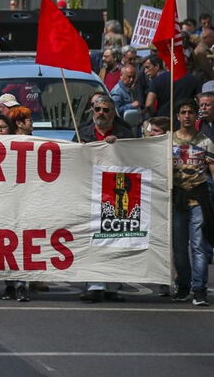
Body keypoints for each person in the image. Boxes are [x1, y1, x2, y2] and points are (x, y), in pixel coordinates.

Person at [75, 95, 135, 303]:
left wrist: (119, 146)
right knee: (90, 239)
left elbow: (135, 161)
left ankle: (112, 286)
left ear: (113, 113)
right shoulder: (81, 133)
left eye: (106, 110)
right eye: (97, 109)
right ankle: (93, 285)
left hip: (116, 194)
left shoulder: (124, 134)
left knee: (115, 240)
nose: (101, 113)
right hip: (89, 192)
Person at [169, 98, 214, 306]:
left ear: (196, 116)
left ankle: (199, 289)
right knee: (179, 247)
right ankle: (184, 284)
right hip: (177, 199)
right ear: (178, 116)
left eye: (190, 112)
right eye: (183, 112)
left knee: (199, 245)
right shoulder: (168, 142)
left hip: (198, 198)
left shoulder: (205, 142)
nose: (187, 116)